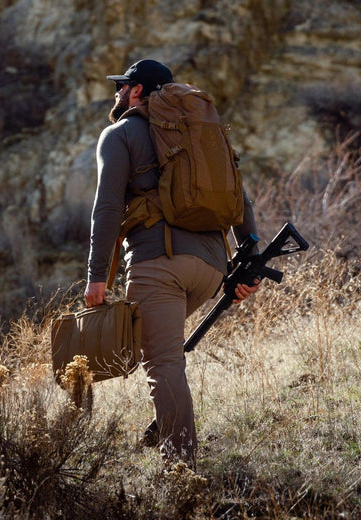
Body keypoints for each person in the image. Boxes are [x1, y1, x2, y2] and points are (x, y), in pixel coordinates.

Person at [84, 59, 260, 468]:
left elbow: (107, 208)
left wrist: (96, 277)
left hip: (159, 265)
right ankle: (166, 425)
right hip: (211, 269)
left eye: (122, 86)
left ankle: (181, 470)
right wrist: (249, 267)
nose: (117, 93)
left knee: (163, 363)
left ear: (137, 91)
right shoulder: (199, 133)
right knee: (161, 355)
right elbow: (241, 199)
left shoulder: (119, 134)